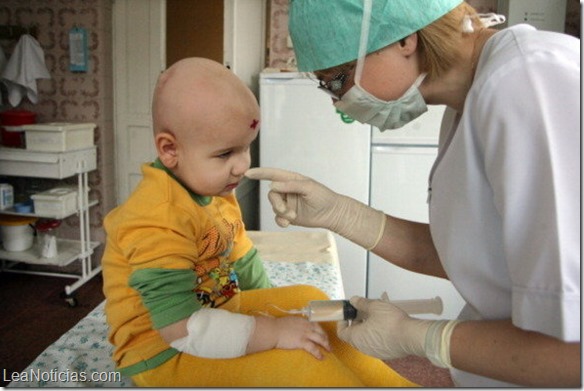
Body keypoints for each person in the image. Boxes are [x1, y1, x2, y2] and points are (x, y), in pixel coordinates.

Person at [246, 0, 580, 387]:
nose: (339, 101)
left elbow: (571, 350)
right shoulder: (471, 99)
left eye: (337, 80)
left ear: (403, 38)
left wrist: (419, 337)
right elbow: (476, 256)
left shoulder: (530, 82)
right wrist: (340, 213)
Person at [101, 57, 416, 387]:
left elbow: (242, 255)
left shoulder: (215, 190)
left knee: (316, 307)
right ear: (169, 150)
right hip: (165, 351)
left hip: (218, 313)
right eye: (225, 154)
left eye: (245, 148)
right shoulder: (156, 217)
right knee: (302, 363)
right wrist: (274, 332)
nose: (241, 166)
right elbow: (181, 329)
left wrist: (277, 315)